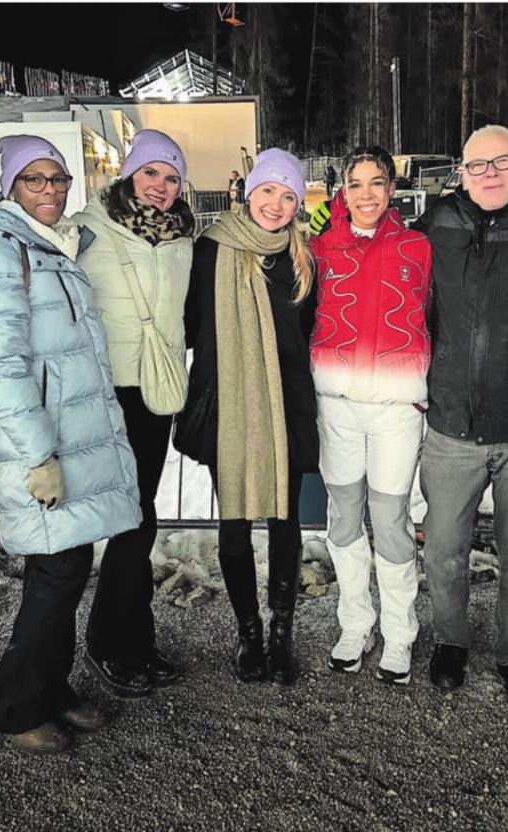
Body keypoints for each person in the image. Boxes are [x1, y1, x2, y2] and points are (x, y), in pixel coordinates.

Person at [0, 136, 142, 754]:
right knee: (55, 575)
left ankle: (52, 688)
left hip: (72, 440)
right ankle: (15, 707)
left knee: (68, 568)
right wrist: (38, 456)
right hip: (42, 448)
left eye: (58, 179)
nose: (52, 191)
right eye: (35, 180)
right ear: (11, 187)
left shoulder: (52, 247)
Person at [416, 125, 508, 706]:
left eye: (502, 161)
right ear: (461, 172)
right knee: (443, 549)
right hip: (451, 424)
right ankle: (451, 641)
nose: (490, 172)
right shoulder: (439, 223)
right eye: (478, 164)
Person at [175, 148, 318, 684]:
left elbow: (311, 333)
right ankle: (249, 634)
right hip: (229, 405)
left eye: (288, 195)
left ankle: (281, 634)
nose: (276, 205)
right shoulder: (209, 250)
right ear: (247, 192)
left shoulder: (303, 258)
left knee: (286, 524)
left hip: (288, 406)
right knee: (233, 527)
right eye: (268, 191)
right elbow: (186, 325)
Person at [73, 130, 195, 698]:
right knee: (125, 519)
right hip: (105, 391)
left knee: (139, 518)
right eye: (151, 174)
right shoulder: (87, 230)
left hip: (155, 395)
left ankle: (134, 640)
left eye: (172, 178)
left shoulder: (184, 240)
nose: (161, 187)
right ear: (129, 174)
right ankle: (107, 642)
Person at [310, 146, 431, 685]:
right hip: (336, 406)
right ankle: (355, 624)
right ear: (342, 188)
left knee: (391, 523)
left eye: (376, 183)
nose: (365, 195)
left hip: (394, 411)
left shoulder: (419, 246)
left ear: (392, 188)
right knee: (343, 520)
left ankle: (400, 634)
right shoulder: (320, 248)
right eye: (355, 184)